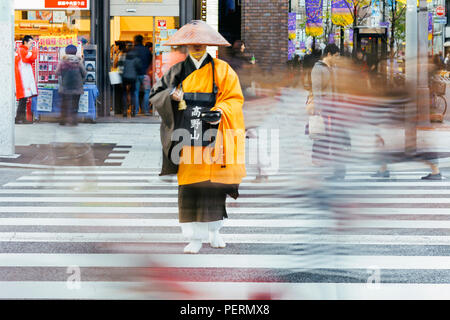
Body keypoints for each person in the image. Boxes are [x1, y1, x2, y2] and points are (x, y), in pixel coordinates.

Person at [149, 20, 246, 254]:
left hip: (214, 132)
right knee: (190, 186)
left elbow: (234, 98)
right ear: (186, 46)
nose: (197, 46)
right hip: (186, 133)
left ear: (209, 45)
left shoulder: (222, 70)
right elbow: (156, 94)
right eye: (192, 43)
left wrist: (221, 110)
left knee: (214, 186)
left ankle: (215, 232)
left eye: (201, 43)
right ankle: (193, 237)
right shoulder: (177, 70)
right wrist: (171, 95)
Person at [310, 43, 350, 180]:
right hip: (326, 108)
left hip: (336, 107)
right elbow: (316, 90)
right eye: (336, 56)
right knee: (332, 139)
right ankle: (337, 171)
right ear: (328, 55)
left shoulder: (334, 68)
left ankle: (339, 171)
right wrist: (319, 109)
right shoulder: (318, 69)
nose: (337, 59)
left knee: (337, 139)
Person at [55, 45, 87, 126]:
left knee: (64, 105)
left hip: (65, 87)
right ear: (75, 52)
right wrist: (81, 81)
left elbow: (57, 73)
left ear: (66, 51)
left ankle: (63, 121)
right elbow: (84, 73)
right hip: (77, 87)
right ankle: (73, 121)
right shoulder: (79, 62)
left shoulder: (62, 62)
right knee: (75, 105)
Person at [15, 35, 38, 124]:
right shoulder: (22, 50)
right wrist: (35, 52)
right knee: (23, 100)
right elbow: (29, 58)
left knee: (23, 100)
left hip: (22, 78)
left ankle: (20, 118)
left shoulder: (21, 50)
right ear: (25, 42)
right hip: (22, 79)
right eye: (30, 43)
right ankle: (20, 119)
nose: (31, 45)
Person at [130, 35, 152, 116]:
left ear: (135, 41)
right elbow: (151, 61)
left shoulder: (132, 50)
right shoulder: (147, 50)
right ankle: (146, 111)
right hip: (145, 74)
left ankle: (135, 111)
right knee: (147, 92)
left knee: (135, 92)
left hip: (135, 75)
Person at [121, 44, 142, 118]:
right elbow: (139, 67)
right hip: (133, 77)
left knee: (124, 93)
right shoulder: (136, 57)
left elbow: (119, 65)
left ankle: (124, 111)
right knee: (133, 93)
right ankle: (133, 111)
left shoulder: (123, 56)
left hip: (124, 77)